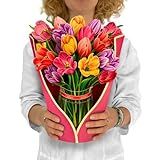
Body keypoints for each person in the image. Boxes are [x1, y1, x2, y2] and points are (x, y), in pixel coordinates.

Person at [19, 0, 141, 159]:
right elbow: (29, 98)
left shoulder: (121, 46)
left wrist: (116, 117)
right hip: (54, 154)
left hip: (105, 154)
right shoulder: (40, 45)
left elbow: (131, 101)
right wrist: (41, 116)